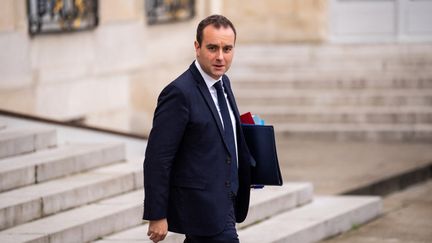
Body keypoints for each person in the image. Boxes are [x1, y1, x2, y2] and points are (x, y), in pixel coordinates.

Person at [143, 14, 254, 243]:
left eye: (227, 49)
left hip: (227, 201)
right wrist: (157, 214)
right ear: (197, 47)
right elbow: (158, 158)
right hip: (201, 206)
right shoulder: (178, 93)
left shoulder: (224, 82)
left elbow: (222, 139)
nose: (220, 57)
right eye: (212, 48)